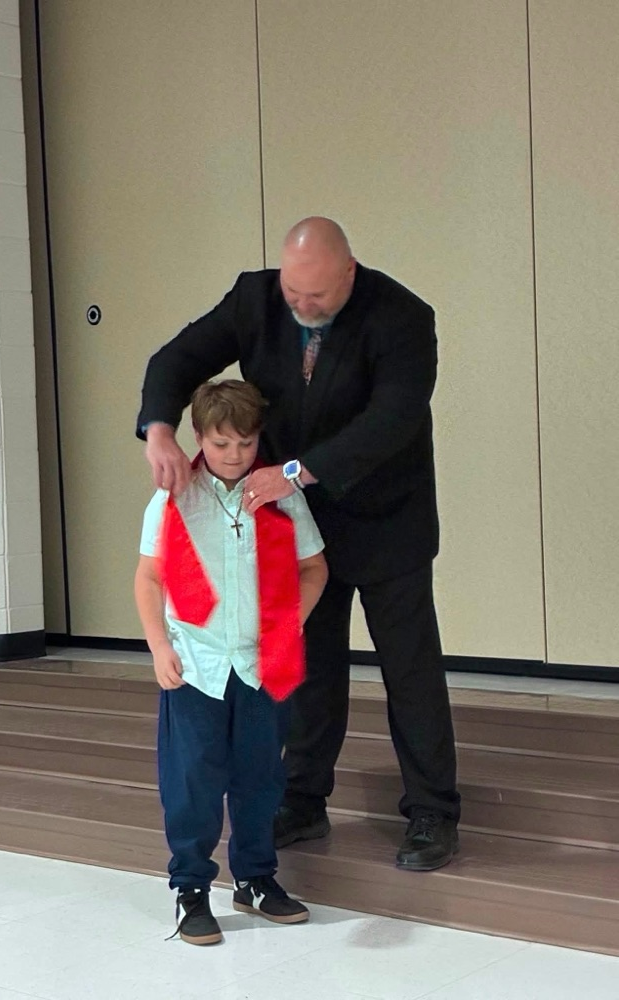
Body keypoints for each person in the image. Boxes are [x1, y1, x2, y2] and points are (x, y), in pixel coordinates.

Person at [137, 217, 461, 871]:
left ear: (349, 273)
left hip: (384, 514)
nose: (302, 308)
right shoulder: (255, 298)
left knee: (410, 666)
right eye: (293, 294)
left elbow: (391, 420)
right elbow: (174, 360)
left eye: (317, 297)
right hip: (295, 522)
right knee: (303, 661)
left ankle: (432, 810)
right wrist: (160, 428)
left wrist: (291, 472)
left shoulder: (401, 316)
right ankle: (304, 799)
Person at [135, 379, 328, 945]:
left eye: (245, 443)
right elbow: (149, 577)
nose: (234, 455)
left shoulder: (278, 494)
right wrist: (158, 645)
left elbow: (313, 568)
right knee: (192, 781)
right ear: (199, 437)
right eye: (220, 444)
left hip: (261, 665)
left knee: (260, 779)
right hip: (195, 664)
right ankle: (190, 888)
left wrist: (290, 622)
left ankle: (256, 877)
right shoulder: (175, 495)